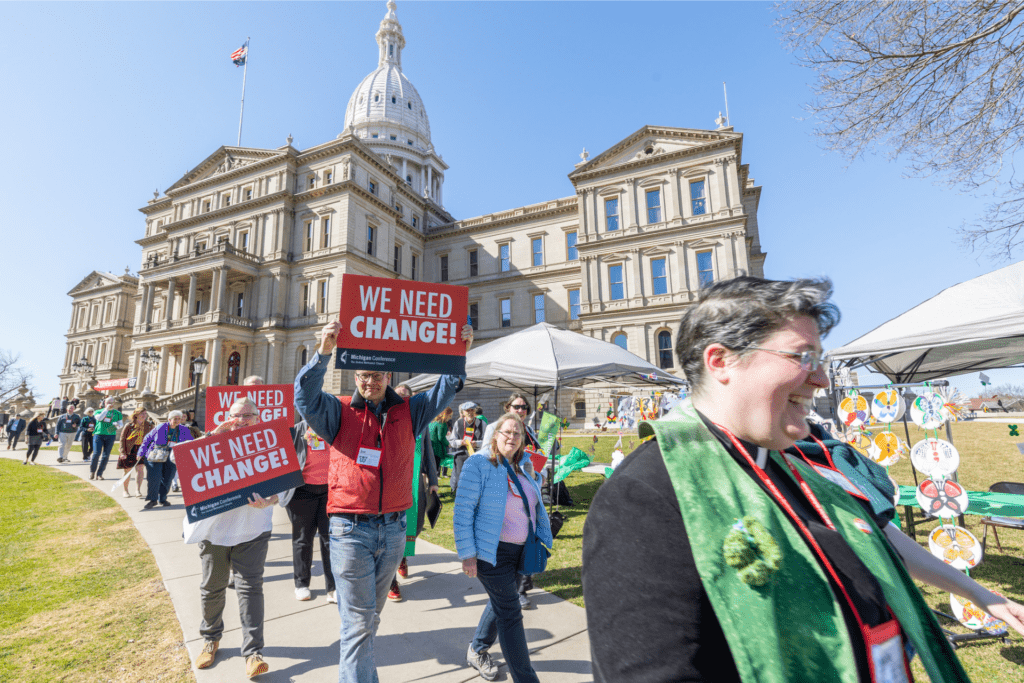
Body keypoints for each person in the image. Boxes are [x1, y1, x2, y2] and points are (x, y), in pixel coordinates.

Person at [582, 277, 1024, 683]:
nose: (819, 378)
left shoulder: (797, 463)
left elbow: (874, 534)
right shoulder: (646, 494)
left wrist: (978, 593)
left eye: (820, 359)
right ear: (721, 361)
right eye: (802, 357)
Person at [294, 320, 472, 683]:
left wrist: (458, 352)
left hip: (392, 529)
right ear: (355, 375)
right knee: (359, 623)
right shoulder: (339, 410)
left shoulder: (411, 411)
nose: (369, 381)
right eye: (363, 375)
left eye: (376, 375)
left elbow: (446, 388)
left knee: (367, 618)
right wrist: (324, 352)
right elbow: (304, 398)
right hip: (350, 529)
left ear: (388, 376)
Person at [184, 397, 291, 679]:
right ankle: (211, 638)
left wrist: (272, 499)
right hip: (214, 532)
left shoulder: (270, 444)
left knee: (250, 589)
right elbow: (179, 460)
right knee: (212, 587)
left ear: (258, 418)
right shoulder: (211, 442)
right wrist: (210, 437)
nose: (241, 421)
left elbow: (288, 485)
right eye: (236, 415)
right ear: (227, 417)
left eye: (247, 416)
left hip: (253, 530)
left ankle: (253, 652)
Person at [454, 412, 552, 683]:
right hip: (490, 554)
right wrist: (468, 555)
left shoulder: (524, 465)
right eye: (506, 432)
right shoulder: (478, 464)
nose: (512, 437)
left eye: (517, 433)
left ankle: (477, 649)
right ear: (495, 435)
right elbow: (463, 512)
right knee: (510, 613)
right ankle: (527, 679)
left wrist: (536, 479)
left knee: (500, 601)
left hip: (520, 552)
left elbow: (530, 498)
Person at [483, 393, 546, 610]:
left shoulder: (530, 432)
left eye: (524, 407)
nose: (520, 411)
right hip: (505, 497)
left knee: (526, 543)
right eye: (516, 407)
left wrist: (541, 477)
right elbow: (485, 457)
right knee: (508, 545)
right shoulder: (494, 428)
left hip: (528, 497)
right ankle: (511, 593)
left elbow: (540, 460)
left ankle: (520, 589)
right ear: (507, 407)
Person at [387, 383, 440, 602]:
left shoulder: (421, 422)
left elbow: (428, 451)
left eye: (407, 397)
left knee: (415, 525)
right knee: (391, 530)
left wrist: (434, 481)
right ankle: (391, 581)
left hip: (415, 480)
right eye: (399, 397)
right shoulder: (387, 417)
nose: (403, 401)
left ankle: (403, 555)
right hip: (390, 483)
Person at [286, 417, 337, 604]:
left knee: (330, 540)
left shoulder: (333, 428)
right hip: (301, 492)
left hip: (329, 492)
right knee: (302, 539)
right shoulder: (297, 431)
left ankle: (333, 588)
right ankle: (301, 584)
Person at [138, 410, 190, 508]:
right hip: (156, 453)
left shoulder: (184, 429)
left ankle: (162, 498)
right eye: (175, 419)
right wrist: (141, 452)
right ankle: (152, 500)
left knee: (168, 477)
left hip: (172, 455)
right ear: (169, 419)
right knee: (155, 477)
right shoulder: (161, 427)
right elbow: (147, 439)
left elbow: (190, 441)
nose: (177, 420)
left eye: (179, 419)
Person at [448, 402, 484, 494]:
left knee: (475, 478)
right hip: (461, 455)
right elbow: (452, 441)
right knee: (461, 478)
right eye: (467, 411)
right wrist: (461, 442)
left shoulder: (482, 423)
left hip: (476, 455)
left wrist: (477, 443)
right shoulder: (458, 423)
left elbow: (487, 442)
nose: (470, 413)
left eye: (472, 410)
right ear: (463, 412)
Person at [118, 408, 154, 498]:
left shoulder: (149, 425)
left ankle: (138, 490)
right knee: (127, 470)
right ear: (136, 414)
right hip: (129, 449)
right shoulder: (129, 425)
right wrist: (122, 452)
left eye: (145, 413)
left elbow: (152, 439)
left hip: (142, 449)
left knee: (140, 469)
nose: (144, 415)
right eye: (142, 413)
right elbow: (122, 439)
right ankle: (125, 491)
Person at [90, 397, 123, 481]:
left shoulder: (117, 413)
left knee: (106, 455)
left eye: (111, 402)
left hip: (110, 435)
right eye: (108, 402)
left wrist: (114, 427)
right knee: (96, 454)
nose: (110, 404)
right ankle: (92, 471)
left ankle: (100, 473)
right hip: (99, 434)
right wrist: (106, 410)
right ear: (104, 403)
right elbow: (100, 418)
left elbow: (121, 424)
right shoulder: (98, 411)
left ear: (114, 403)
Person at [429, 407, 452, 476]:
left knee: (429, 470)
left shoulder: (432, 422)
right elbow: (441, 438)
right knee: (434, 470)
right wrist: (448, 444)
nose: (450, 418)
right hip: (437, 450)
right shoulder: (442, 423)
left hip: (430, 448)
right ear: (445, 414)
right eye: (450, 415)